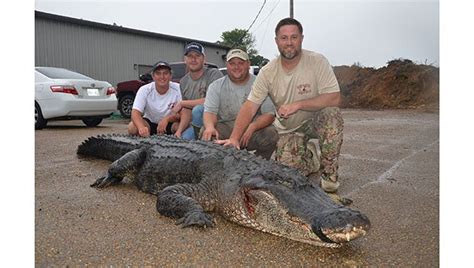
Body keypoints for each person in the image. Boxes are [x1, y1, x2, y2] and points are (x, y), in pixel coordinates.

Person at [219, 18, 344, 194]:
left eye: (294, 37)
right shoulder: (268, 71)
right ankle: (311, 158)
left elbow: (334, 98)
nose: (289, 43)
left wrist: (298, 104)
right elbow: (250, 106)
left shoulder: (317, 61)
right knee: (288, 178)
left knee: (332, 116)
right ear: (276, 41)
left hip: (316, 121)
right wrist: (234, 138)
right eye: (284, 38)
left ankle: (329, 177)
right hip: (289, 129)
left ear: (301, 38)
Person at [202, 49, 278, 160]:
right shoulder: (216, 86)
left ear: (248, 64)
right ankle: (220, 165)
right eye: (232, 63)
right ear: (226, 65)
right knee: (207, 133)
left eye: (240, 63)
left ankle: (258, 165)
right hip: (227, 126)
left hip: (251, 129)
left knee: (272, 134)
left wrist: (253, 126)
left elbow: (270, 114)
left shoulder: (260, 83)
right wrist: (209, 127)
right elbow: (210, 112)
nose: (236, 67)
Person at [172, 42, 223, 140]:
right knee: (183, 138)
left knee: (198, 110)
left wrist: (182, 103)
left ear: (204, 59)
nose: (193, 59)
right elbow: (186, 109)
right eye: (190, 56)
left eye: (197, 56)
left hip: (217, 120)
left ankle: (201, 140)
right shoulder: (183, 81)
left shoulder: (214, 74)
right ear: (185, 60)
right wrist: (179, 131)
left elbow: (212, 101)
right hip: (196, 124)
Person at [128, 61, 191, 137]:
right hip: (149, 123)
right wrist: (141, 128)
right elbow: (135, 113)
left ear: (171, 76)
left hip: (170, 124)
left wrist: (167, 119)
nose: (162, 77)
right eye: (158, 73)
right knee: (132, 127)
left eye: (165, 73)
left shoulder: (178, 89)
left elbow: (184, 113)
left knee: (186, 127)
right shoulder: (144, 90)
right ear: (153, 76)